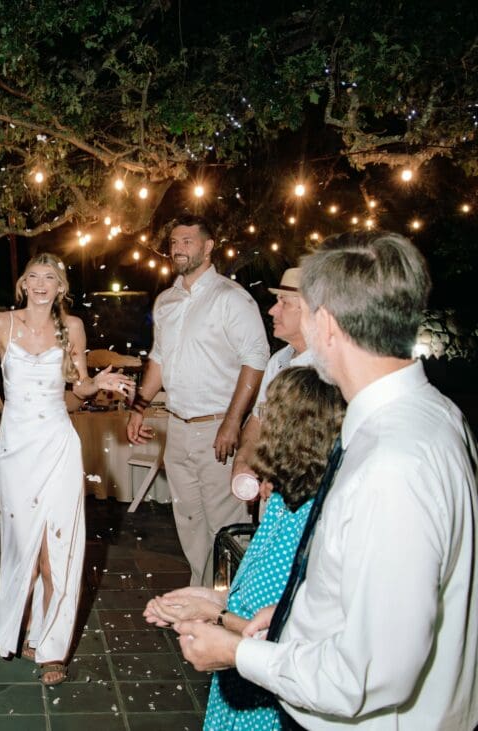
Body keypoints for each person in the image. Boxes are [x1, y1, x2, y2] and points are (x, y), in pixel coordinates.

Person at [174, 232, 478, 729]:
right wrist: (292, 611)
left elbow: (370, 672)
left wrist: (236, 654)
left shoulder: (391, 464)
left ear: (328, 325)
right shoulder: (434, 415)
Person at [0, 253, 134, 686]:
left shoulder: (72, 327)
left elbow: (79, 385)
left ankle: (51, 647)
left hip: (58, 443)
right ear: (23, 283)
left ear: (61, 286)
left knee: (60, 543)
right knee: (25, 544)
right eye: (34, 277)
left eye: (50, 278)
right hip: (17, 448)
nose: (41, 284)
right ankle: (29, 627)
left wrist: (100, 383)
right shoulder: (3, 323)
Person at [145, 366, 344, 730]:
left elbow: (284, 639)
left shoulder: (316, 523)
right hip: (240, 679)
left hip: (267, 695)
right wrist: (207, 598)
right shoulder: (284, 503)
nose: (261, 427)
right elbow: (250, 594)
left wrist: (213, 615)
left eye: (271, 416)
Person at [126, 214, 269, 586]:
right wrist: (139, 407)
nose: (178, 249)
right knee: (188, 522)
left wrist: (233, 422)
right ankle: (204, 597)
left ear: (208, 247)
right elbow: (158, 360)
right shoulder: (166, 301)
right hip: (177, 427)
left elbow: (256, 359)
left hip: (216, 428)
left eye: (188, 241)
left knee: (225, 524)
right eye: (174, 242)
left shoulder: (230, 298)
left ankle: (232, 606)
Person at [230, 268, 314, 506]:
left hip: (304, 502)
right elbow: (258, 419)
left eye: (284, 303)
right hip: (273, 494)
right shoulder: (278, 361)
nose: (272, 310)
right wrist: (243, 460)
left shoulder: (326, 371)